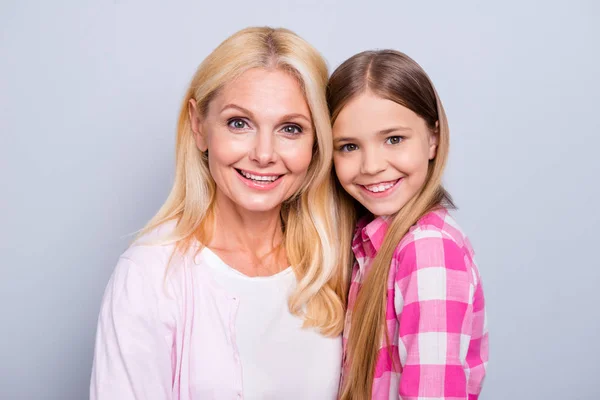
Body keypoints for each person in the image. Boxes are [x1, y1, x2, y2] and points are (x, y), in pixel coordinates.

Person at [90, 27, 349, 400]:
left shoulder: (336, 264)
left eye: (291, 129)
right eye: (239, 123)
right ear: (199, 127)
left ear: (317, 142)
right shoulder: (149, 275)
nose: (263, 154)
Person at [327, 50, 488, 399]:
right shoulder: (370, 242)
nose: (371, 165)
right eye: (349, 146)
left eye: (394, 139)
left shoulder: (428, 249)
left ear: (432, 138)